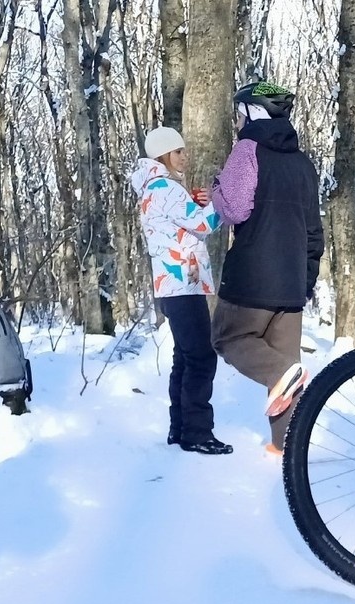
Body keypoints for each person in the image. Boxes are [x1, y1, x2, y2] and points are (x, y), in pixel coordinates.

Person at [210, 81, 324, 455]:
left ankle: (279, 376)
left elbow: (234, 208)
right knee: (287, 367)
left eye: (240, 113)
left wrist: (216, 188)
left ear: (252, 113)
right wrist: (305, 281)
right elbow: (313, 231)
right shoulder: (304, 163)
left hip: (252, 279)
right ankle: (286, 447)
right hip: (292, 283)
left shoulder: (247, 150)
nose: (238, 121)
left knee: (229, 338)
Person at [130, 126, 232, 455]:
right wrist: (221, 202)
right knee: (201, 357)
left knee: (185, 358)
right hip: (184, 285)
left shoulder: (151, 189)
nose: (185, 156)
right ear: (162, 155)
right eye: (178, 151)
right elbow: (203, 225)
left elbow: (187, 222)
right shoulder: (166, 188)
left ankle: (180, 427)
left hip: (168, 286)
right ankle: (197, 433)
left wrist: (197, 202)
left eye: (185, 150)